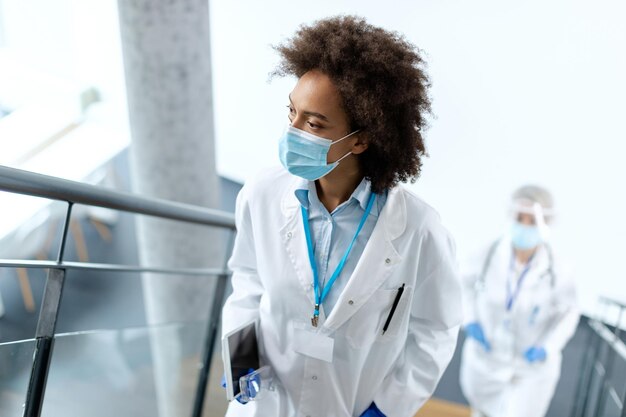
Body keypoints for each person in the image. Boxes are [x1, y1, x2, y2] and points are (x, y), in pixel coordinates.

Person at [221, 16, 462, 417]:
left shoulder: (420, 230)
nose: (293, 131)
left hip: (347, 404)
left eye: (314, 123)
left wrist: (386, 408)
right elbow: (248, 282)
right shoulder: (262, 194)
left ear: (362, 139)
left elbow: (435, 329)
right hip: (266, 402)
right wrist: (242, 357)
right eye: (292, 113)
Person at [459, 185, 580, 417]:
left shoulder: (560, 269)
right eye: (519, 218)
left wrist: (548, 347)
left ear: (546, 223)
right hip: (487, 360)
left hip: (531, 370)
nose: (525, 226)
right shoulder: (487, 253)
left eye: (532, 220)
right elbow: (462, 285)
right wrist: (470, 320)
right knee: (481, 412)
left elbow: (569, 313)